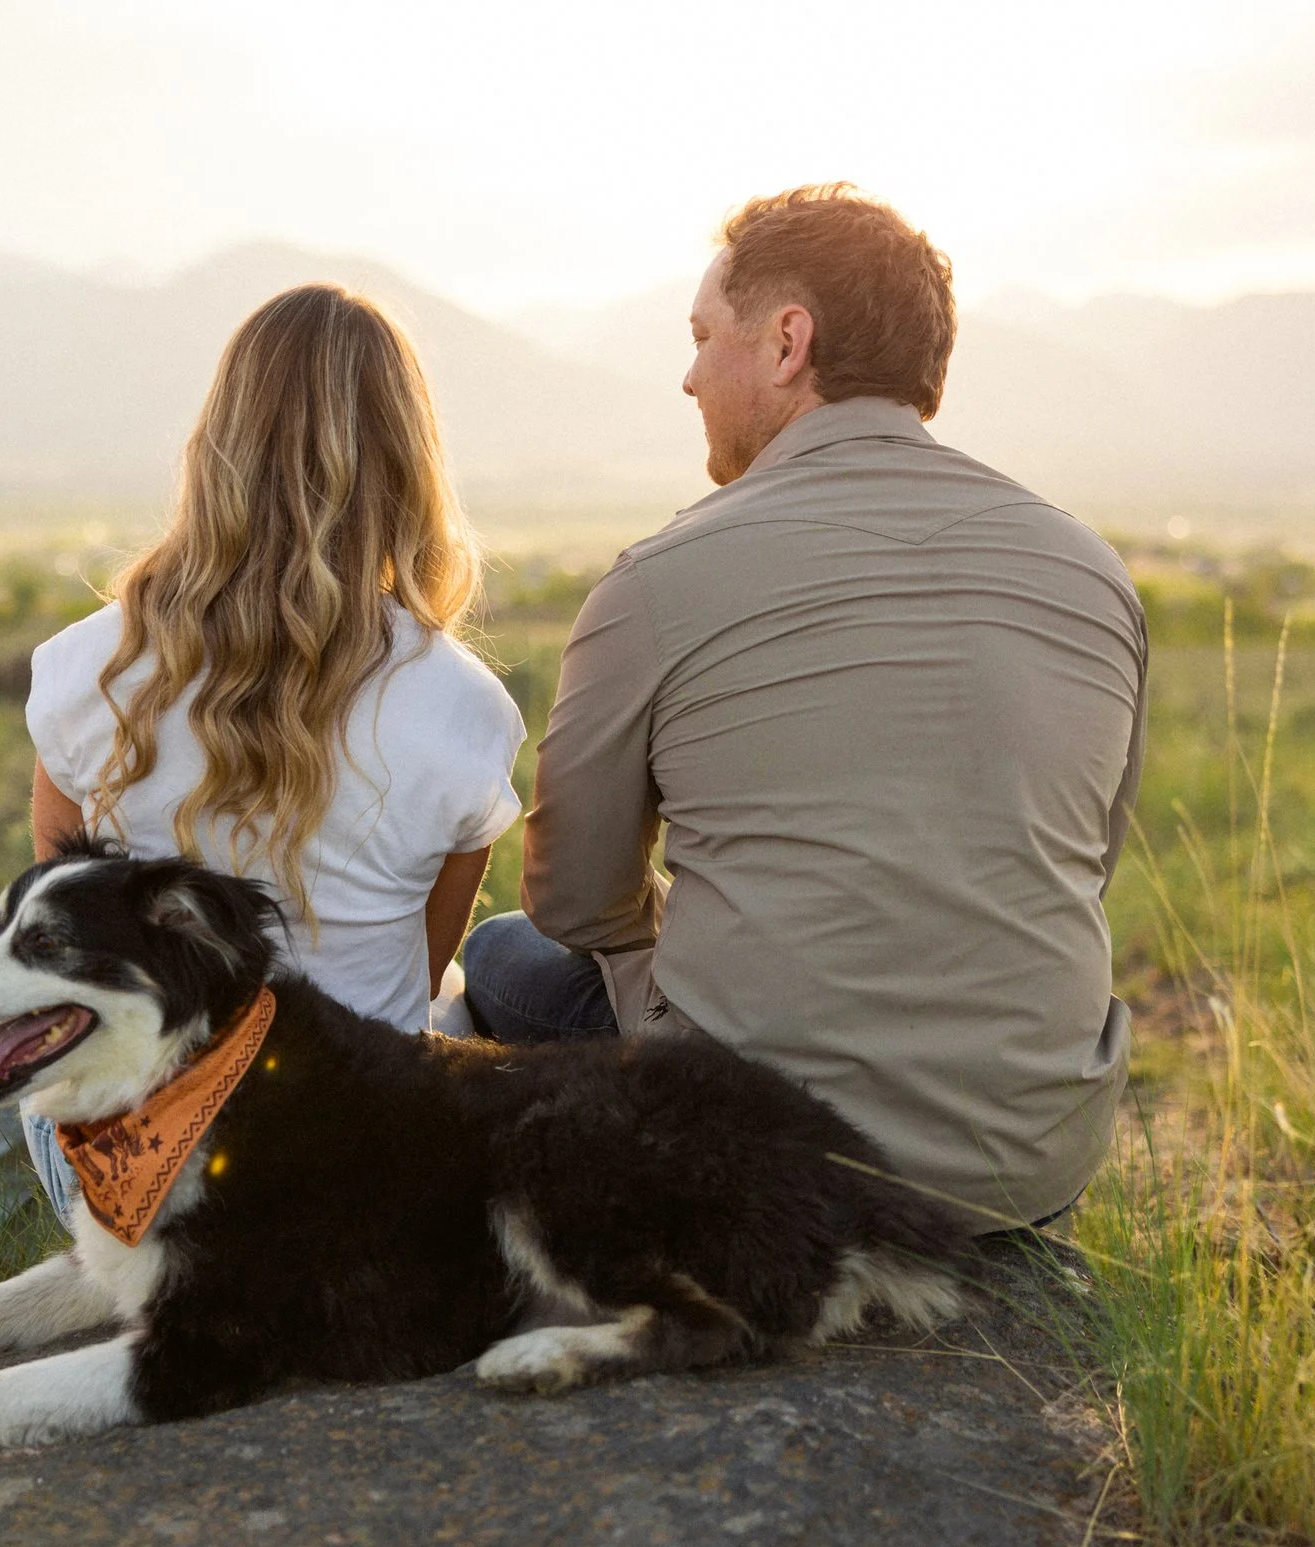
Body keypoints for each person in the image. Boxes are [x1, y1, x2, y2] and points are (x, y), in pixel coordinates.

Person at [462, 184, 1146, 1231]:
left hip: (756, 1157)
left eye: (700, 336)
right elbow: (1081, 860)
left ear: (788, 342)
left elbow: (575, 907)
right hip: (1027, 1164)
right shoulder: (1091, 570)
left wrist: (721, 938)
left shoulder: (658, 578)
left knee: (504, 955)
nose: (686, 377)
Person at [0, 284, 526, 1218]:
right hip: (347, 1144)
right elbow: (419, 960)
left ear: (216, 447)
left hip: (152, 1154)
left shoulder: (92, 665)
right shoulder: (465, 708)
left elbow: (68, 953)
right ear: (409, 462)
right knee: (449, 984)